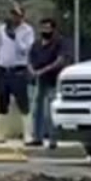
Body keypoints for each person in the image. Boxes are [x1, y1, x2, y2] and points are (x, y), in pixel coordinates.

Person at [0, 3, 35, 143]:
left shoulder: (27, 30)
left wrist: (15, 38)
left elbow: (26, 50)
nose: (14, 17)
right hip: (4, 69)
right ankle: (0, 135)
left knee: (23, 102)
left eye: (17, 15)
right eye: (12, 14)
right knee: (2, 102)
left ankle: (27, 135)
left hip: (18, 70)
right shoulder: (2, 29)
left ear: (22, 16)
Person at [27, 17, 69, 149]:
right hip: (39, 79)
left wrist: (44, 70)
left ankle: (53, 139)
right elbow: (29, 59)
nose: (45, 30)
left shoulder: (59, 42)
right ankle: (37, 137)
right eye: (42, 27)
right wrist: (32, 71)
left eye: (48, 28)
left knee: (50, 110)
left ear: (53, 29)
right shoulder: (37, 44)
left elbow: (61, 60)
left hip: (53, 79)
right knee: (37, 109)